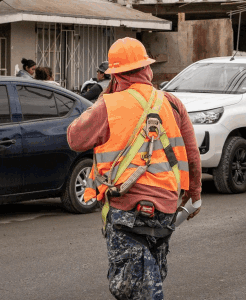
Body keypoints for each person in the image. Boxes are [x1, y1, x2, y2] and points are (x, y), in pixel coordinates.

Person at [69, 38, 202, 300]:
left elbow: (74, 138)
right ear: (147, 70)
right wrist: (194, 194)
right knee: (149, 278)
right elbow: (192, 155)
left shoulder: (108, 105)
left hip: (125, 209)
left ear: (115, 75)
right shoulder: (173, 103)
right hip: (165, 209)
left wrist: (106, 96)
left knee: (136, 289)